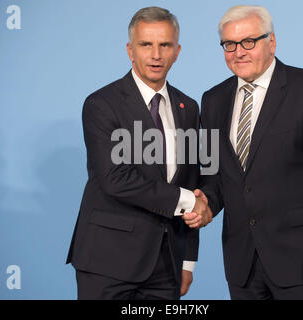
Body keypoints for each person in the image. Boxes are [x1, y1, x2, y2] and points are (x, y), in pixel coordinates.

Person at [184, 5, 303, 300]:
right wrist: (205, 203)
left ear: (271, 42)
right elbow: (215, 176)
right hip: (242, 264)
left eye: (249, 41)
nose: (239, 52)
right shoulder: (212, 100)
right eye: (230, 44)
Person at [66, 6, 209, 300]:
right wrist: (187, 201)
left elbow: (192, 181)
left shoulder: (188, 107)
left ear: (177, 51)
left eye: (165, 45)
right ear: (131, 50)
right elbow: (115, 178)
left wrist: (187, 261)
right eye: (146, 45)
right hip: (107, 262)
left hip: (166, 265)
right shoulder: (101, 104)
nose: (156, 54)